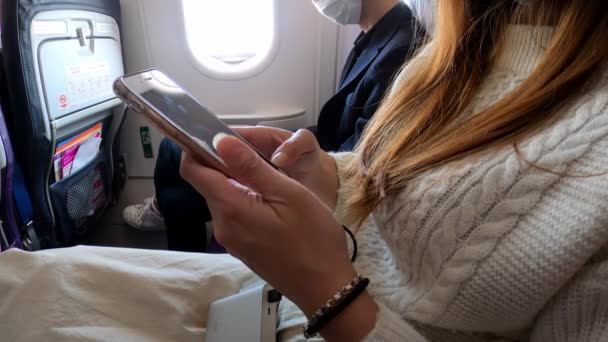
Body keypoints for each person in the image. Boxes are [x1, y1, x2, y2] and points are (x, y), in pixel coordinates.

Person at [2, 0, 607, 341]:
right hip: (308, 298)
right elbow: (413, 184)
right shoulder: (467, 48)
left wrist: (326, 288)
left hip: (335, 308)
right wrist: (333, 179)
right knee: (22, 273)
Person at [122, 0, 425, 254]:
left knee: (177, 153)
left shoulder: (401, 50)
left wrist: (290, 152)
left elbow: (362, 162)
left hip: (329, 180)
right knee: (184, 146)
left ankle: (181, 250)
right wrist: (281, 138)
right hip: (322, 159)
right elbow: (342, 127)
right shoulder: (378, 36)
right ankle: (180, 240)